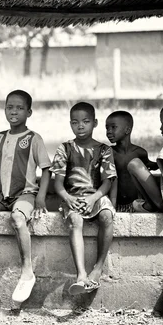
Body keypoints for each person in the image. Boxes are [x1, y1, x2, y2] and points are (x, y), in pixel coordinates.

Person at [0, 90, 51, 304]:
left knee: (17, 219)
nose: (14, 112)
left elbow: (47, 169)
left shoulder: (34, 138)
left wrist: (40, 198)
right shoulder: (1, 137)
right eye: (9, 107)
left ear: (29, 112)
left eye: (19, 108)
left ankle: (27, 272)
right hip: (0, 195)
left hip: (25, 194)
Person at [52, 102, 117, 294]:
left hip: (96, 196)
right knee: (75, 220)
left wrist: (93, 199)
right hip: (71, 196)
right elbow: (58, 184)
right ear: (70, 124)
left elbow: (107, 182)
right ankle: (80, 274)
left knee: (106, 215)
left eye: (86, 121)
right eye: (75, 122)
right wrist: (67, 198)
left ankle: (97, 269)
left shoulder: (104, 150)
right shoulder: (65, 149)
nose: (80, 126)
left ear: (95, 123)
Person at [105, 110, 156, 212]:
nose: (109, 131)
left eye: (113, 127)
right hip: (115, 204)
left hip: (135, 204)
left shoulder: (140, 153)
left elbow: (148, 168)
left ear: (127, 130)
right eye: (107, 128)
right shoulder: (109, 153)